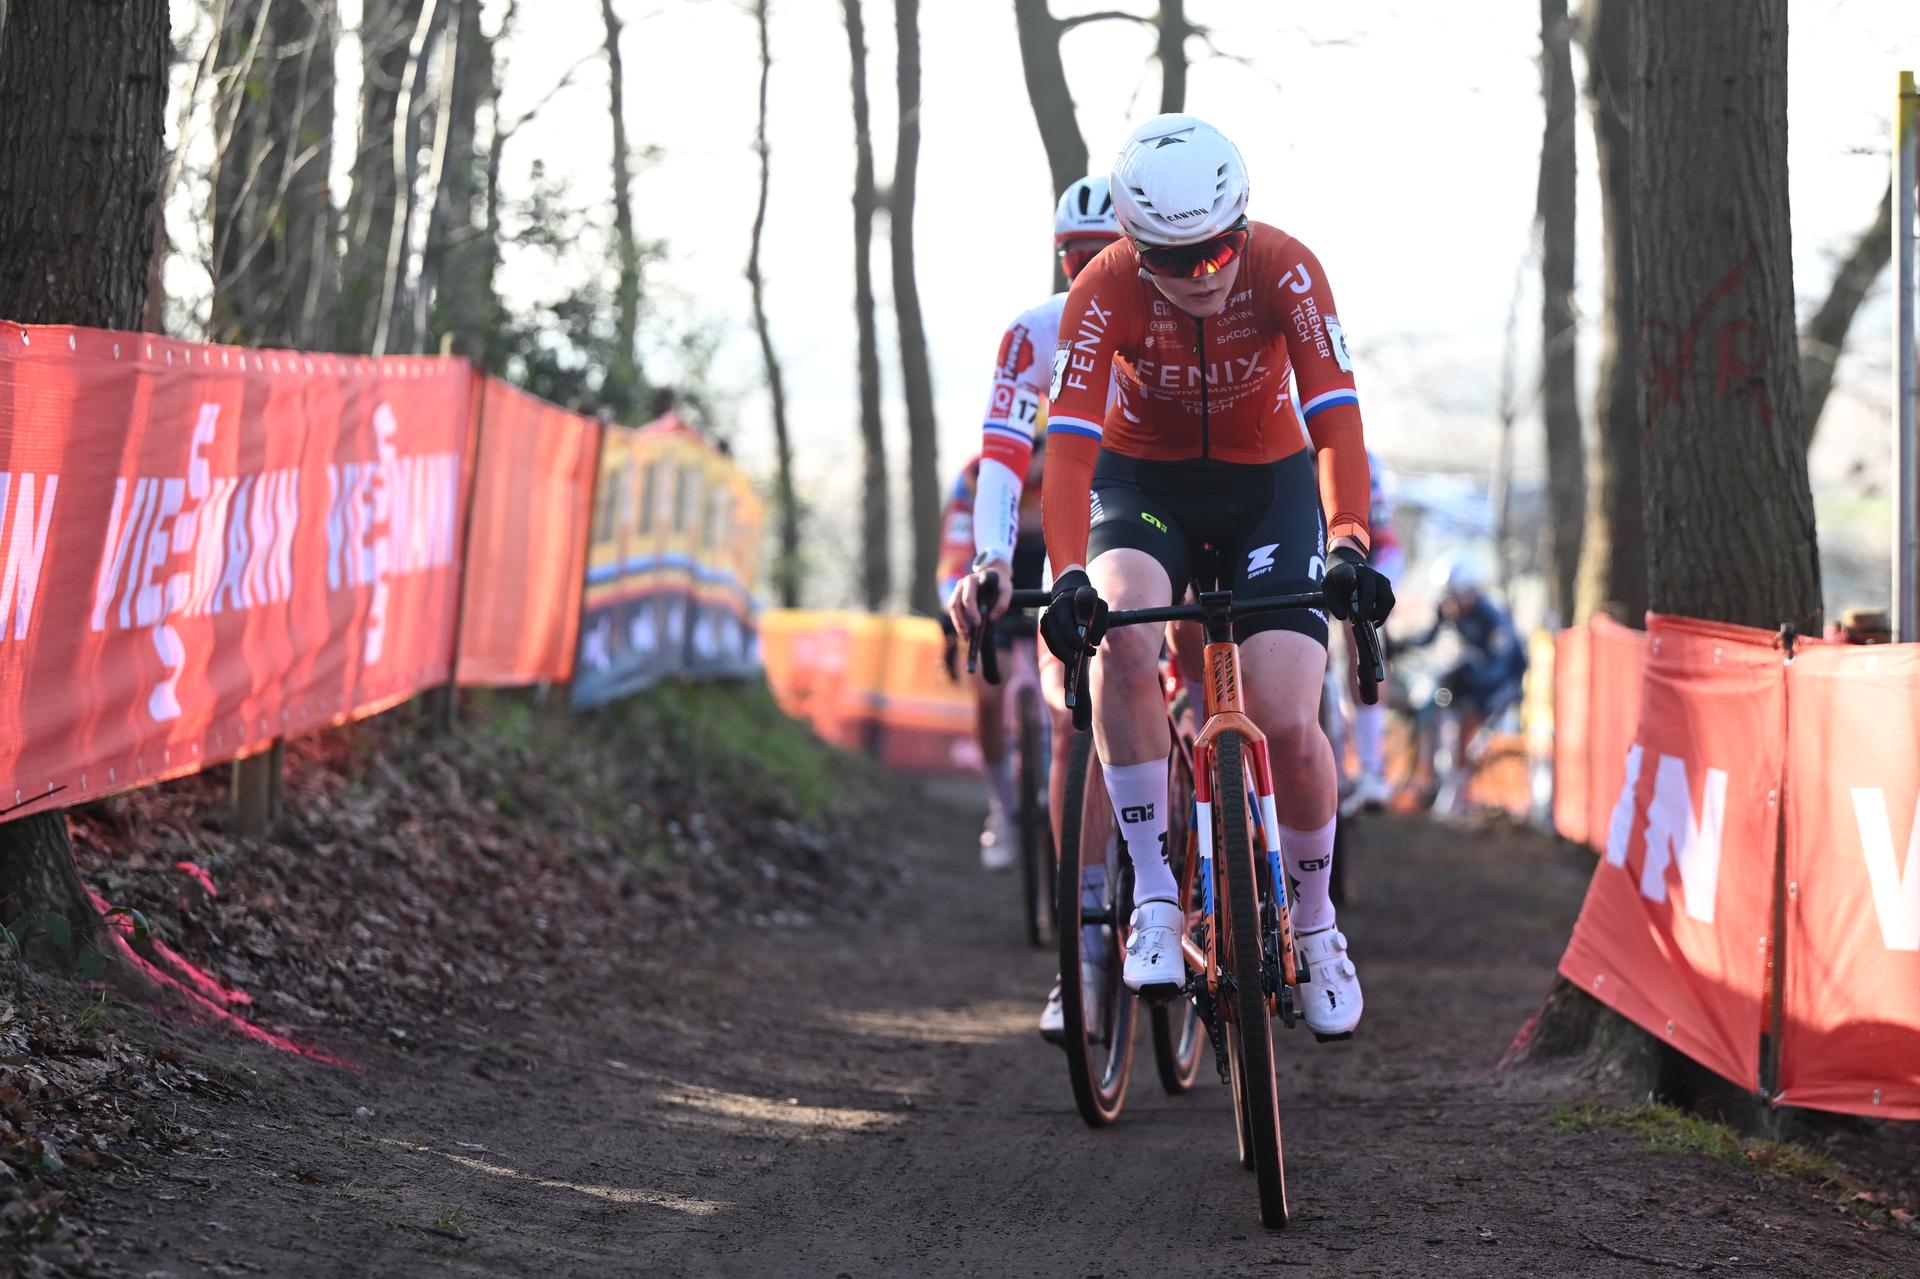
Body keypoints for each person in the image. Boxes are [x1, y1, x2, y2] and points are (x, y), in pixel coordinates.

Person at [1021, 113, 1393, 1039]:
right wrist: (1067, 576)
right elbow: (1070, 451)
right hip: (1142, 487)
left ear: (1244, 224)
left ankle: (1318, 926)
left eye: (1221, 249)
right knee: (1120, 637)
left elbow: (1337, 417)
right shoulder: (1103, 288)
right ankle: (1153, 894)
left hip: (1269, 489)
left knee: (1287, 715)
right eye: (1174, 260)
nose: (1205, 275)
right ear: (1132, 244)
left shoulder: (1287, 268)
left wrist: (1348, 542)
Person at [947, 175, 1122, 1039]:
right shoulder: (1037, 334)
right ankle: (1081, 947)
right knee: (1064, 721)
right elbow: (999, 463)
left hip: (1168, 514)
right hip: (1073, 538)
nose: (1091, 271)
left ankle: (1223, 871)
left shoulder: (1177, 313)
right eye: (1076, 257)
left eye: (1107, 253)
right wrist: (983, 563)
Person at [1399, 550, 1528, 749]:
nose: (1450, 604)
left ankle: (1474, 754)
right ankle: (1438, 754)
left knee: (1478, 726)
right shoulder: (1451, 610)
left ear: (1468, 593)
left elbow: (1499, 667)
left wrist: (1467, 674)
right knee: (1439, 693)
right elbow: (1429, 637)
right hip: (1481, 673)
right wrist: (1403, 645)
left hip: (1504, 681)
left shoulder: (1492, 618)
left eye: (1455, 597)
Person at [1340, 452, 1404, 813]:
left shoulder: (1357, 460)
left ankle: (1370, 768)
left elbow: (1382, 544)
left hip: (1369, 555)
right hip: (1322, 549)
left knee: (1360, 640)